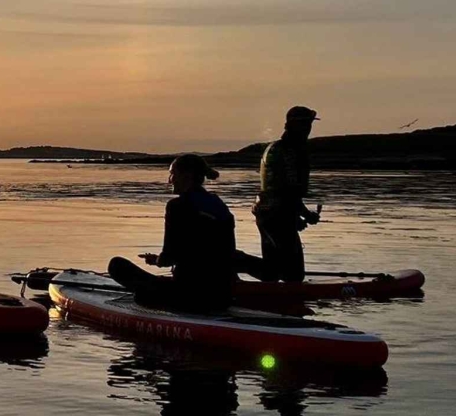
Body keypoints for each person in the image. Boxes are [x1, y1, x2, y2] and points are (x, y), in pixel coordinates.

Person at [108, 154, 236, 313]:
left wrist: (160, 261)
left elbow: (170, 255)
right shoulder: (219, 204)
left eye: (172, 174)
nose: (170, 180)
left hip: (188, 297)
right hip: (222, 296)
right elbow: (210, 250)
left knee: (116, 265)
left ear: (186, 176)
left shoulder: (177, 206)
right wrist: (157, 260)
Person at [250, 105, 320, 282]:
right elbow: (288, 191)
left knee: (272, 269)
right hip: (278, 215)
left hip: (265, 213)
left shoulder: (274, 147)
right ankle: (235, 261)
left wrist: (296, 215)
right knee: (294, 275)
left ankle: (267, 298)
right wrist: (303, 215)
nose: (308, 129)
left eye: (310, 124)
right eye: (305, 124)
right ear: (293, 125)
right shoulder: (292, 152)